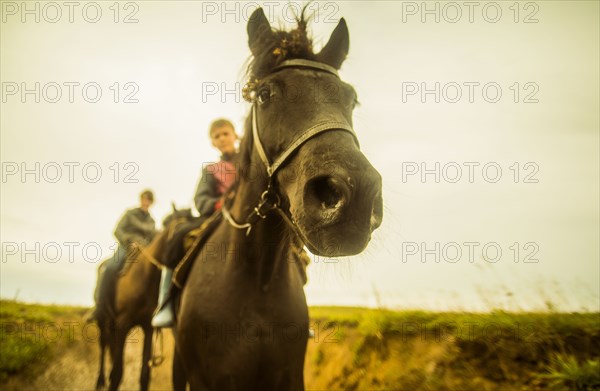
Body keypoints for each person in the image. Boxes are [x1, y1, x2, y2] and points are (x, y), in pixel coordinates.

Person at [151, 119, 239, 328]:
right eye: (217, 136)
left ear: (235, 135)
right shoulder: (210, 170)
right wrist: (219, 203)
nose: (222, 138)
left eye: (225, 133)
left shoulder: (253, 160)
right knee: (179, 234)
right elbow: (200, 200)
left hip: (255, 214)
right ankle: (166, 302)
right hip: (218, 216)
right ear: (212, 143)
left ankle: (297, 311)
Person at [86, 189, 157, 322]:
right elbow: (118, 231)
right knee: (110, 268)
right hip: (125, 247)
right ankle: (99, 308)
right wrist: (130, 241)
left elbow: (152, 238)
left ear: (151, 202)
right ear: (140, 199)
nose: (146, 202)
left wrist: (144, 244)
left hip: (143, 251)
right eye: (144, 198)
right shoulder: (129, 214)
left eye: (149, 200)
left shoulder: (152, 222)